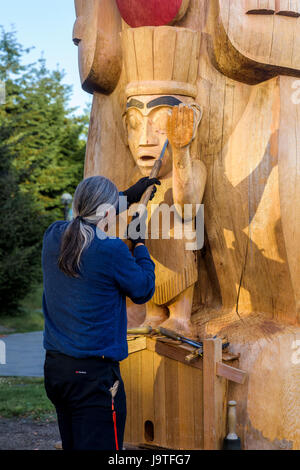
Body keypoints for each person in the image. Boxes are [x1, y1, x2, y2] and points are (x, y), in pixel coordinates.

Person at [42, 175, 160, 450]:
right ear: (108, 212)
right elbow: (143, 289)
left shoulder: (53, 236)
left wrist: (127, 196)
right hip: (93, 378)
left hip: (57, 371)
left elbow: (90, 215)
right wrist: (139, 244)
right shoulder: (111, 250)